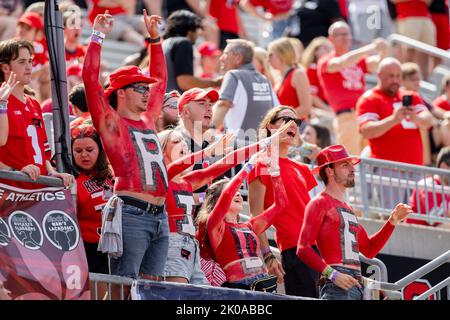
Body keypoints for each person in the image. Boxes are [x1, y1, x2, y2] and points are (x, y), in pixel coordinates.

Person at [82, 11, 169, 281]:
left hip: (161, 215)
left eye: (147, 88)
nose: (148, 92)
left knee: (152, 288)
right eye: (140, 88)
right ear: (121, 92)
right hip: (131, 211)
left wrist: (154, 40)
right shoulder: (111, 123)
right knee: (124, 286)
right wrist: (97, 36)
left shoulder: (148, 116)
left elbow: (161, 79)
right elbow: (90, 80)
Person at [297, 144, 412, 300]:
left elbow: (369, 250)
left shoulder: (348, 208)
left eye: (351, 164)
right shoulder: (319, 203)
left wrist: (392, 222)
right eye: (345, 165)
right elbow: (303, 248)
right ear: (329, 171)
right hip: (336, 285)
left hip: (355, 284)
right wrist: (332, 274)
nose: (352, 169)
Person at [248, 106, 320, 297]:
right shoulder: (261, 163)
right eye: (286, 119)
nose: (293, 125)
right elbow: (256, 215)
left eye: (296, 121)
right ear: (271, 127)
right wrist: (267, 255)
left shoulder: (301, 168)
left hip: (319, 247)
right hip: (294, 249)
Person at [197, 147, 288, 292]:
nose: (238, 194)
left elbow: (282, 205)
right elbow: (227, 194)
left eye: (239, 191)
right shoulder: (215, 225)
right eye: (234, 191)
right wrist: (249, 166)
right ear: (218, 201)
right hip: (238, 289)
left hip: (263, 284)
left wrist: (275, 172)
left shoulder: (250, 226)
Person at [356, 57, 434, 208]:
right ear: (379, 76)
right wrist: (393, 120)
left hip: (415, 169)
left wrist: (414, 117)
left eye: (398, 76)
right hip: (388, 170)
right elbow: (366, 131)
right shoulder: (369, 99)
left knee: (415, 218)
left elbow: (429, 120)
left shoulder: (411, 96)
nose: (395, 80)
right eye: (390, 76)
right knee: (392, 217)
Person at [0, 39, 73, 188]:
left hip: (36, 192)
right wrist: (13, 170)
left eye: (30, 61)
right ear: (5, 67)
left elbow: (42, 149)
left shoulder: (33, 103)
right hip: (9, 191)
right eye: (22, 62)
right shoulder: (1, 100)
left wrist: (52, 172)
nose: (29, 67)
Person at [318, 21, 389, 156]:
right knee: (350, 160)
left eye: (347, 34)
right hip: (346, 117)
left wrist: (383, 50)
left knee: (371, 158)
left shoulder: (358, 59)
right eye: (340, 35)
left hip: (364, 114)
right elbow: (342, 62)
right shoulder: (326, 60)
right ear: (330, 39)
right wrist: (370, 48)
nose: (345, 38)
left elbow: (376, 64)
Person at [212, 39, 279, 142]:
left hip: (238, 150)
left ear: (238, 58)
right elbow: (279, 112)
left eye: (225, 54)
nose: (221, 58)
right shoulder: (264, 80)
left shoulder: (234, 75)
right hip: (261, 149)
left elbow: (223, 105)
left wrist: (207, 134)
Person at [71, 124, 113, 276]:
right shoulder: (72, 182)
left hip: (116, 246)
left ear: (100, 151)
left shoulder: (113, 174)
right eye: (78, 151)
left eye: (89, 150)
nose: (84, 155)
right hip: (88, 250)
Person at [163, 10, 220, 93]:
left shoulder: (165, 43)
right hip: (172, 102)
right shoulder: (183, 43)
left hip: (162, 99)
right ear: (190, 31)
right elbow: (185, 82)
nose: (197, 35)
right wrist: (216, 83)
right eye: (197, 30)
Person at [267, 37, 312, 120]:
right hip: (283, 128)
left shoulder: (298, 74)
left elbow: (306, 108)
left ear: (281, 54)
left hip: (296, 128)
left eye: (270, 55)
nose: (268, 59)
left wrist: (281, 118)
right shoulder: (278, 78)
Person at [390, 0, 436, 79]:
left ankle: (424, 79)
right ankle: (407, 79)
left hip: (425, 17)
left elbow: (428, 1)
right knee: (410, 51)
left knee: (425, 52)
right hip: (407, 17)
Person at [407, 146, 450, 228]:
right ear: (444, 166)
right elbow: (433, 220)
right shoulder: (427, 185)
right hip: (416, 234)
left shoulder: (447, 187)